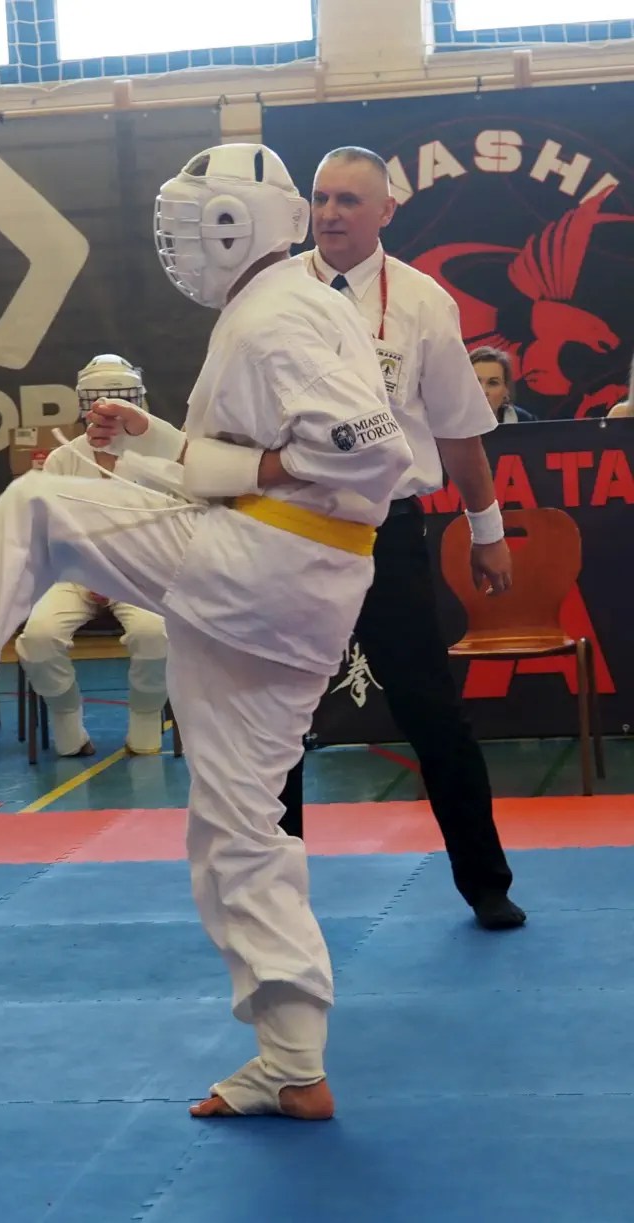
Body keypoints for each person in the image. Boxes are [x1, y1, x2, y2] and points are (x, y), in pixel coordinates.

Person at [0, 144, 415, 1121]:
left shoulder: (277, 312)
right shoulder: (298, 305)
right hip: (301, 594)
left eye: (190, 224)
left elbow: (369, 452)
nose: (177, 244)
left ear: (234, 225)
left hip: (262, 561)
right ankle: (292, 1058)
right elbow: (267, 459)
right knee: (239, 824)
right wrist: (160, 450)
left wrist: (227, 471)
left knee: (38, 507)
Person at [282, 146, 525, 932]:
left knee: (431, 711)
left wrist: (487, 530)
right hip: (289, 528)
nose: (329, 214)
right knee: (276, 716)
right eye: (321, 198)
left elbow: (458, 430)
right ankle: (272, 894)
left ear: (386, 211)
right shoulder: (272, 294)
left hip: (386, 531)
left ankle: (486, 883)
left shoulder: (421, 301)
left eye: (349, 200)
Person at [16, 354, 169, 756]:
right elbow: (49, 530)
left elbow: (170, 529)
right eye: (100, 401)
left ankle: (146, 717)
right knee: (38, 638)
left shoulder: (160, 457)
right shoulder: (63, 459)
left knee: (155, 634)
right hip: (74, 575)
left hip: (140, 576)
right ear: (85, 405)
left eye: (120, 400)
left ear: (137, 402)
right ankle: (67, 720)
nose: (109, 410)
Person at [470, 346, 535, 423]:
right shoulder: (455, 422)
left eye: (493, 383)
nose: (483, 392)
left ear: (506, 390)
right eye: (475, 382)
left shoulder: (526, 422)